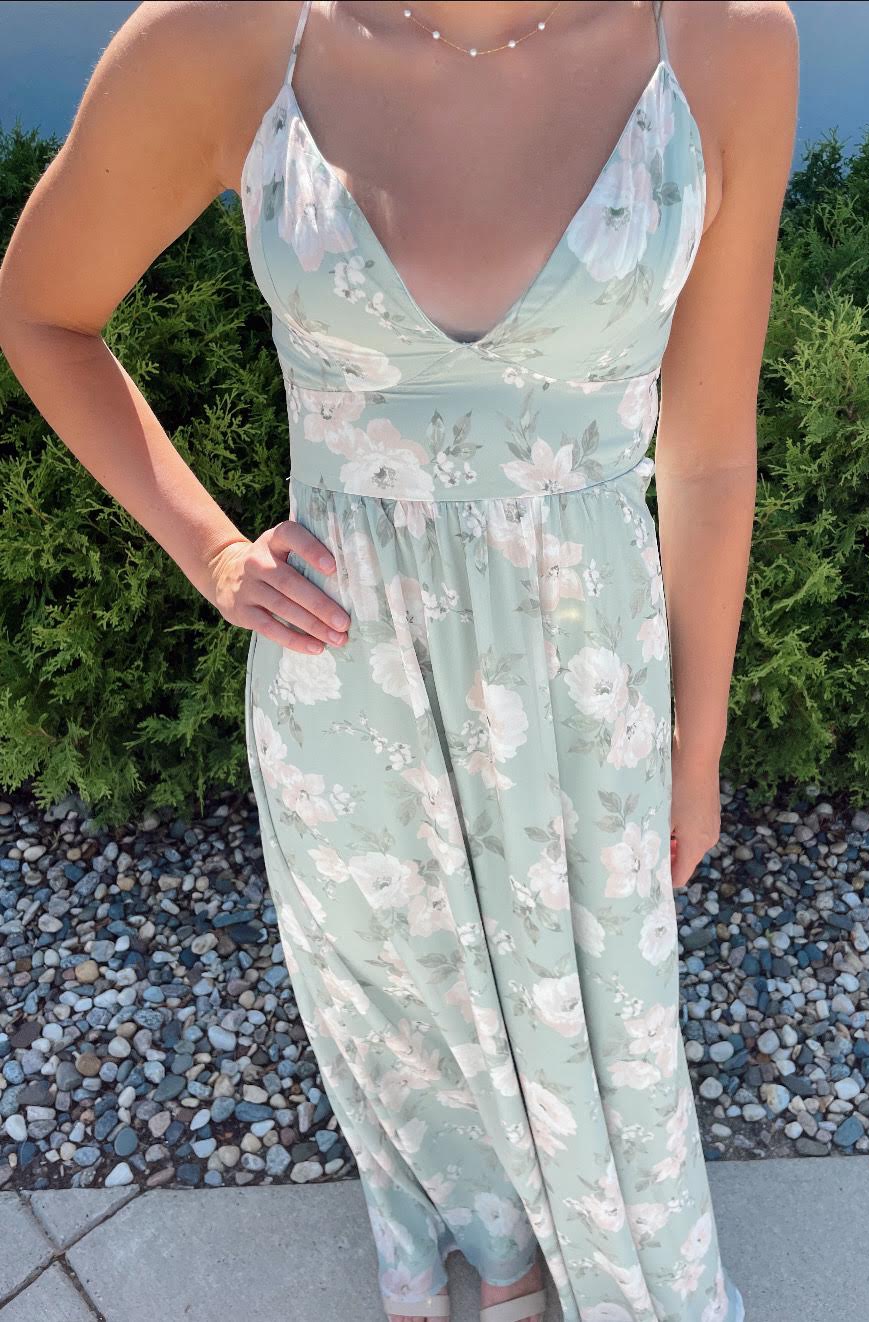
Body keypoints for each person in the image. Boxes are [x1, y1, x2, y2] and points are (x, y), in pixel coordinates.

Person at [0, 2, 798, 1319]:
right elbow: (42, 311)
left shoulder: (721, 40)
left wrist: (695, 743)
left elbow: (709, 451)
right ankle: (496, 1255)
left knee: (604, 1035)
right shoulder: (229, 35)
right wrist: (214, 554)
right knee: (409, 1025)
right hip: (349, 690)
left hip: (588, 700)